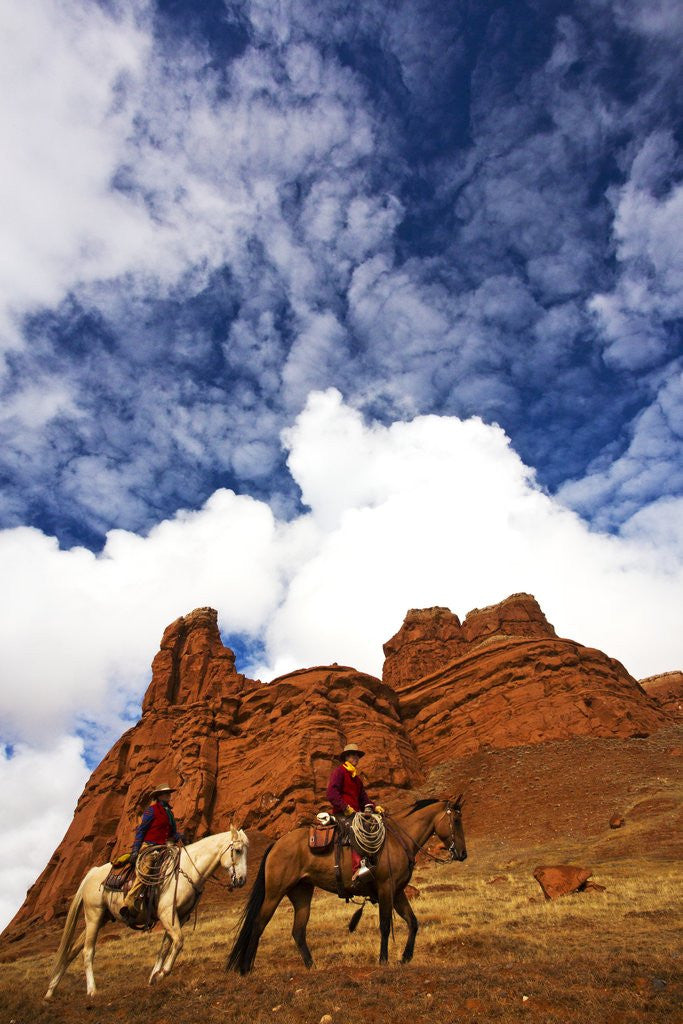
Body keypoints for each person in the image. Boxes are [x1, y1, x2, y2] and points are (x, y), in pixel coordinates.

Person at [120, 783, 183, 921]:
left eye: (169, 792)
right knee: (147, 868)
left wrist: (178, 836)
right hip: (150, 846)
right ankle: (129, 902)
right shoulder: (151, 810)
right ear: (159, 796)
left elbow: (171, 833)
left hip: (165, 846)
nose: (169, 795)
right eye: (165, 793)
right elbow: (141, 830)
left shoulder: (170, 813)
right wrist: (135, 850)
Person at [326, 742, 384, 884]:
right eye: (353, 755)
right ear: (346, 757)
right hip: (342, 814)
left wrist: (374, 807)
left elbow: (363, 798)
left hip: (355, 814)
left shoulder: (357, 779)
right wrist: (344, 807)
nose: (356, 757)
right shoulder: (339, 772)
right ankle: (357, 869)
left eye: (357, 755)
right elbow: (331, 793)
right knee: (355, 829)